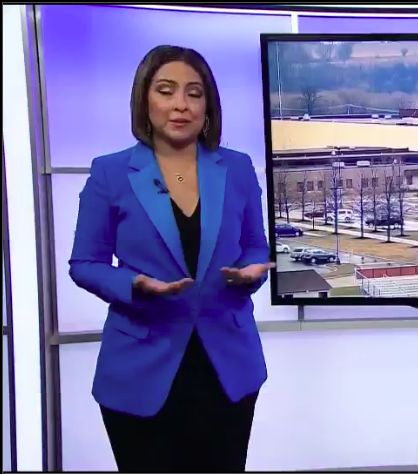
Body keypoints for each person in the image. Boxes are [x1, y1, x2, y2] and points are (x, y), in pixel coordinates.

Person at [69, 45, 272, 472]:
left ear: (208, 106)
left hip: (226, 367)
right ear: (145, 99)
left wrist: (252, 274)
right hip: (141, 367)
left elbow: (256, 245)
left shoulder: (236, 168)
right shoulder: (110, 172)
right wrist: (134, 286)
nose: (181, 104)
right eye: (166, 90)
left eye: (194, 93)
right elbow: (84, 263)